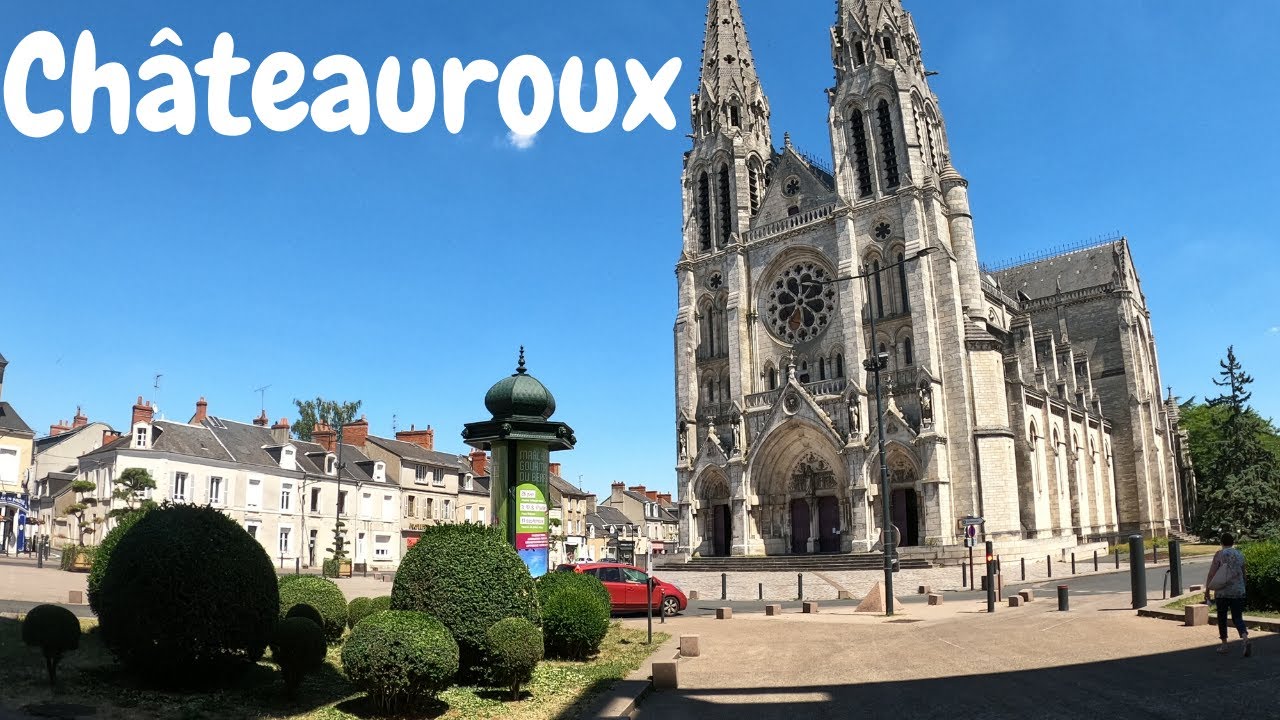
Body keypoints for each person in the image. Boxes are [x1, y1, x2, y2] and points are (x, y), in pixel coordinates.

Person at [1205, 532, 1252, 657]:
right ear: (1233, 543)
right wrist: (1243, 586)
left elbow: (1212, 574)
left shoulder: (1219, 555)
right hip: (1238, 591)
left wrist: (1207, 590)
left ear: (1221, 543)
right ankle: (1245, 638)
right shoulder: (1239, 554)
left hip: (1222, 592)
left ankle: (1224, 644)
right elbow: (1244, 573)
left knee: (1222, 617)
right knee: (1237, 618)